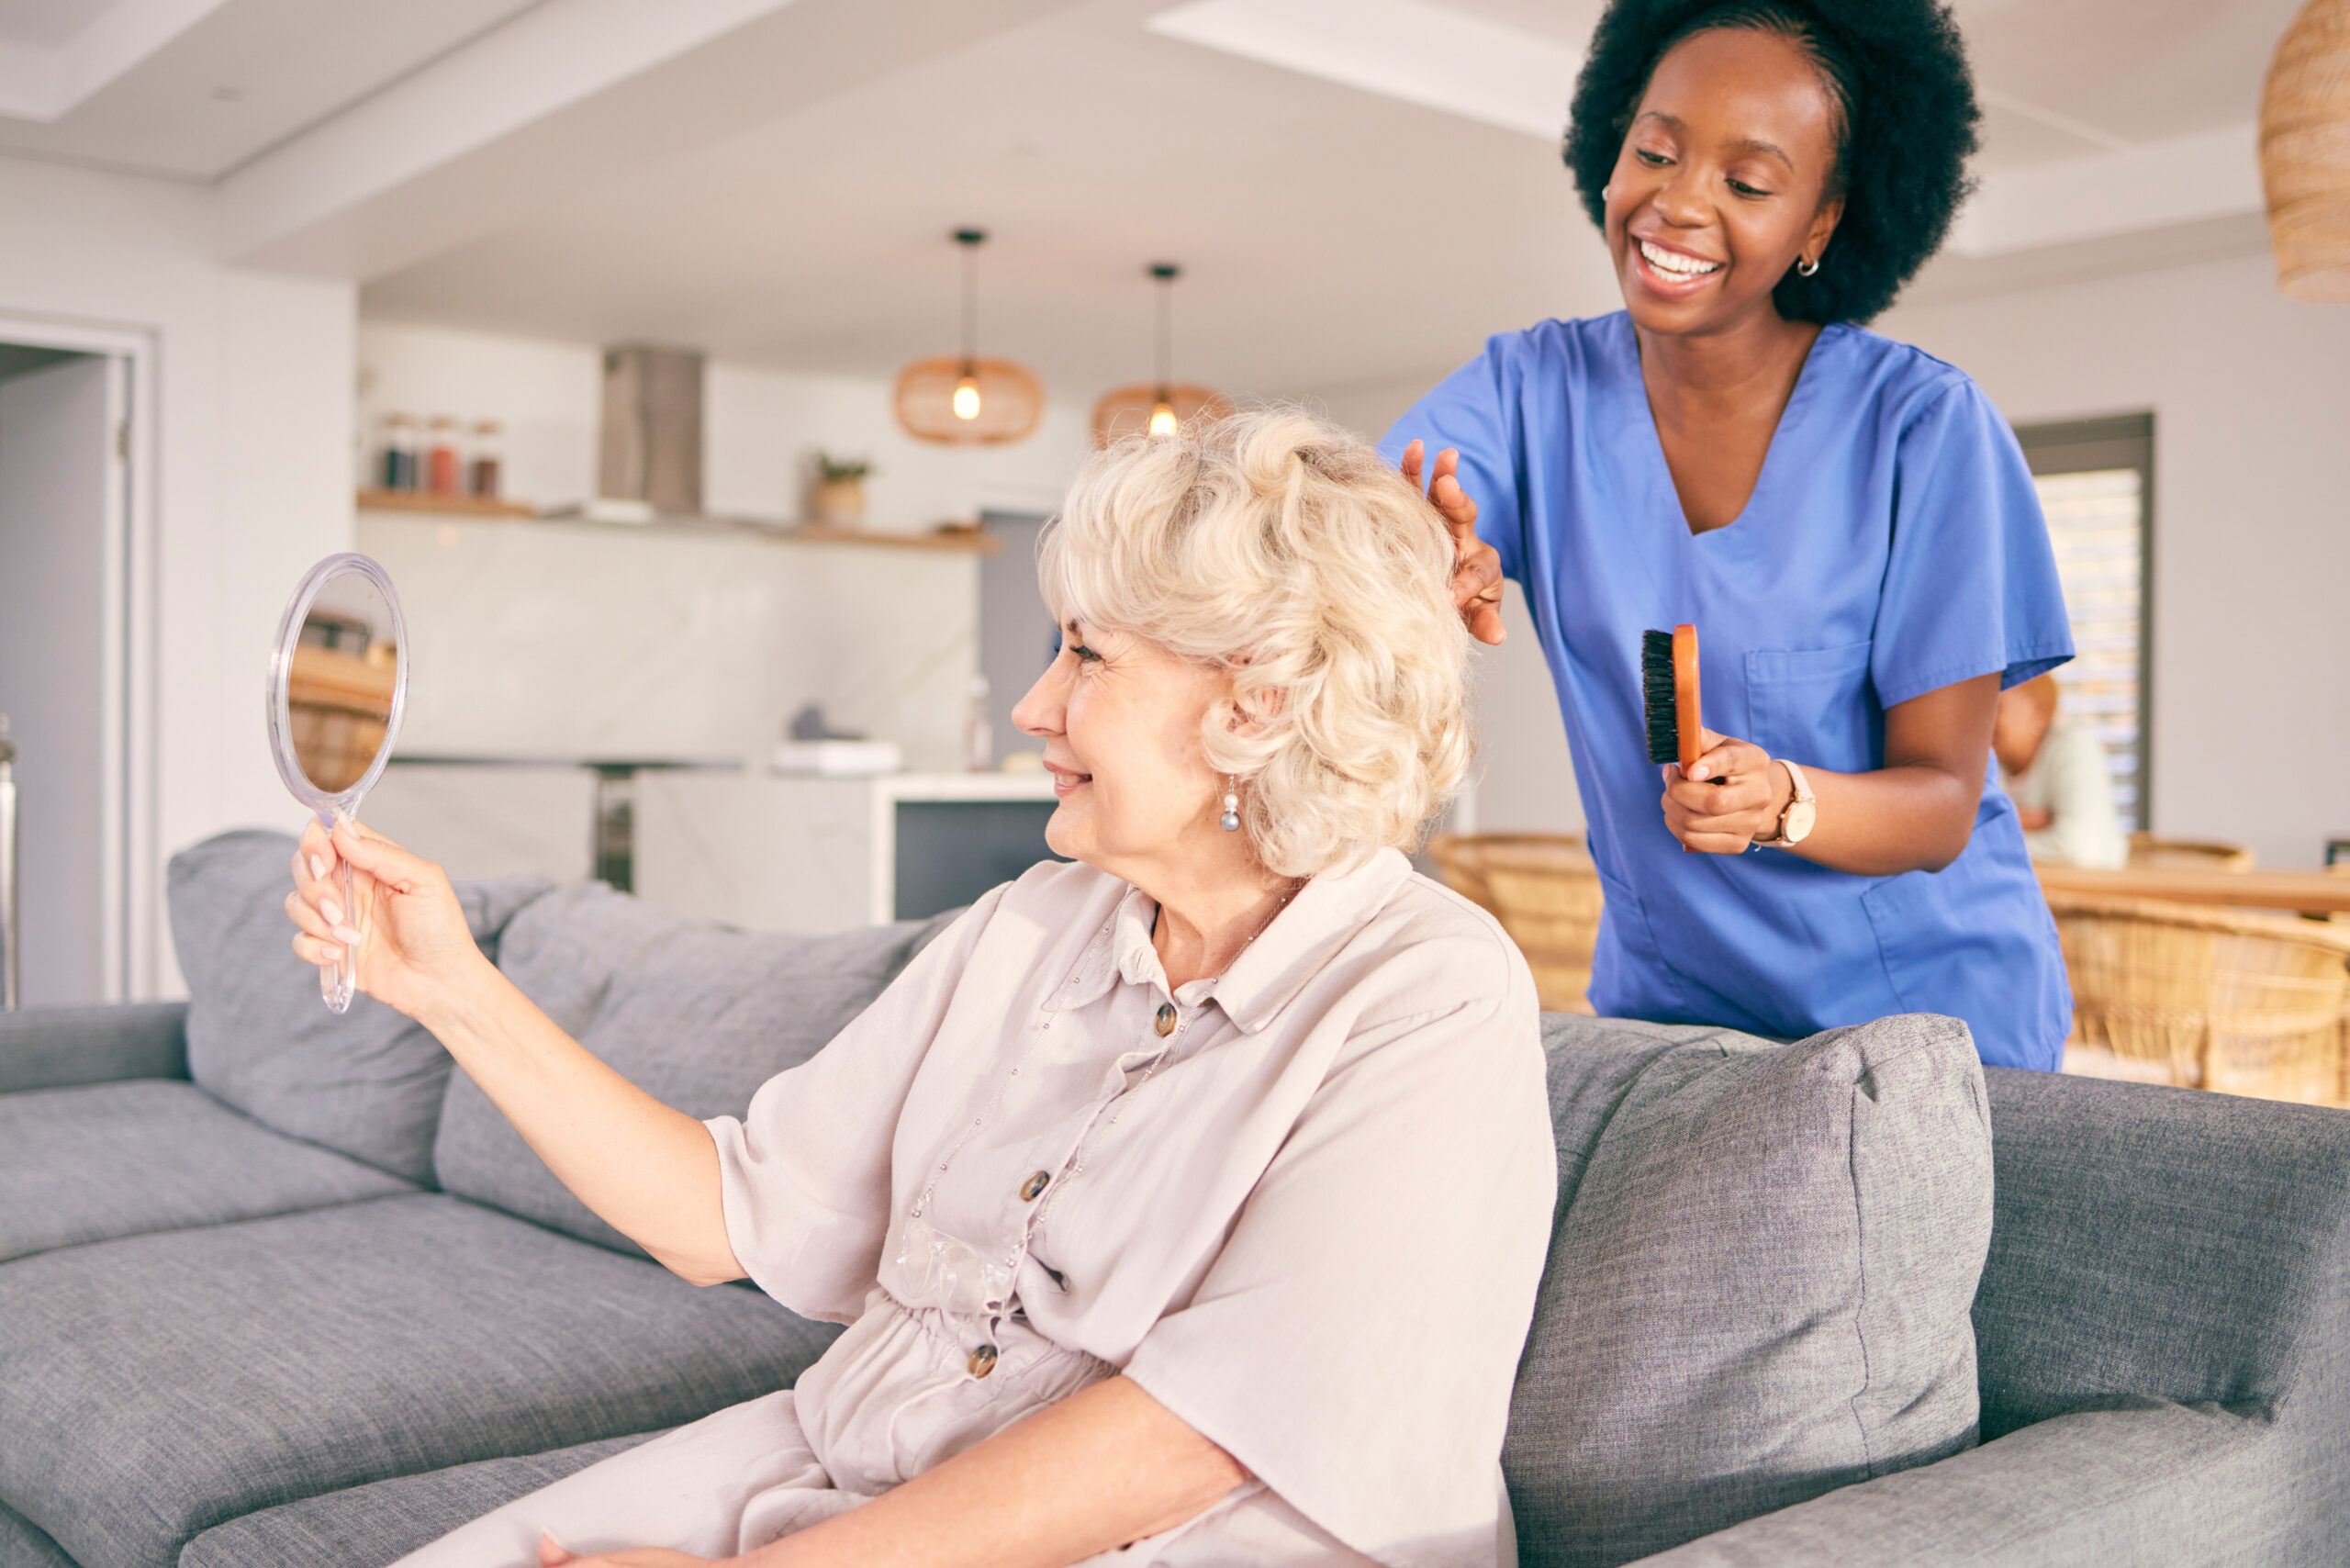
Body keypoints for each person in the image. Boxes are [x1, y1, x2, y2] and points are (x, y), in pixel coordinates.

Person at [285, 410, 1555, 1568]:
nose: (1032, 706)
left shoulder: (1429, 994)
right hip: (860, 1482)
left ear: (1259, 701)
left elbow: (1201, 1438)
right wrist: (449, 987)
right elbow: (716, 1220)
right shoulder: (1032, 929)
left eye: (1085, 656)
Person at [1387, 0, 2076, 1070]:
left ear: (1820, 223)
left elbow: (1941, 801)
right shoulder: (1534, 390)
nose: (1677, 204)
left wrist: (1785, 800)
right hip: (1676, 1015)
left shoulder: (1923, 430)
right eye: (1653, 151)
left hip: (1928, 1022)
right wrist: (1425, 556)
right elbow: (1381, 511)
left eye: (1746, 183)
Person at [1994, 673, 2127, 870]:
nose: (1979, 721)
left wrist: (1994, 838)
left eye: (1997, 708)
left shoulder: (2075, 746)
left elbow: (2077, 849)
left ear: (2039, 713)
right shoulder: (1988, 760)